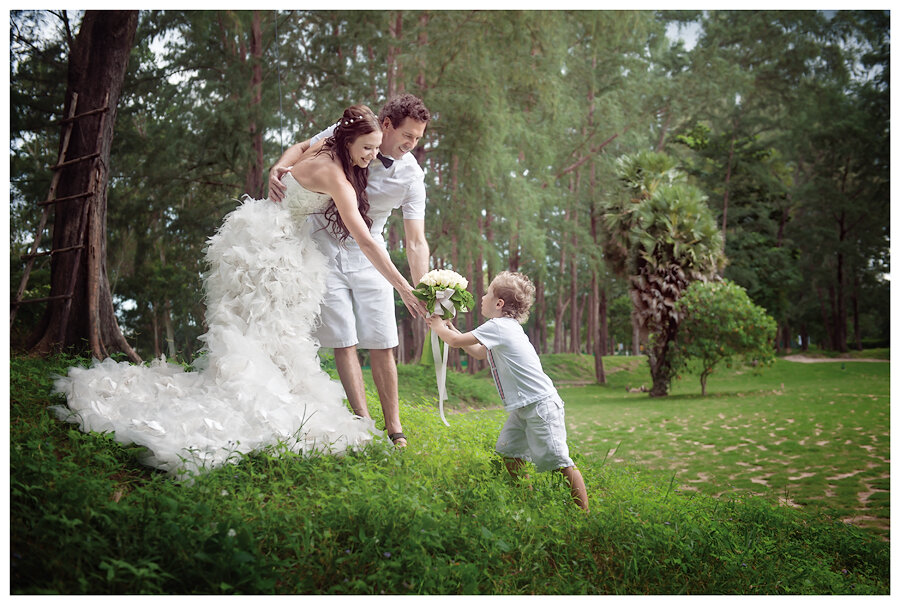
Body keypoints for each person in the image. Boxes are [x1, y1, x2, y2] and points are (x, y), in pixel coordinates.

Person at [52, 105, 421, 478]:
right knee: (269, 328)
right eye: (368, 148)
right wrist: (404, 286)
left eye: (376, 149)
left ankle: (269, 389)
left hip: (265, 234)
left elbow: (299, 149)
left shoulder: (328, 150)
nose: (373, 157)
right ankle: (255, 399)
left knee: (267, 330)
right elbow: (365, 239)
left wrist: (278, 167)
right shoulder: (335, 175)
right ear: (349, 140)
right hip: (275, 253)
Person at [268, 94, 431, 448]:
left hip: (371, 252)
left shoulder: (411, 176)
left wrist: (422, 290)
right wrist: (277, 167)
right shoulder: (350, 134)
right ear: (386, 125)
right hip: (322, 248)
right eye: (408, 136)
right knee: (344, 339)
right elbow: (300, 148)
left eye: (418, 139)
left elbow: (416, 242)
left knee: (383, 338)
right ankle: (364, 424)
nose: (412, 145)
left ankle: (395, 427)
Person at [425, 271, 589, 511]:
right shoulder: (505, 328)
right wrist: (451, 330)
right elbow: (480, 351)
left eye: (487, 293)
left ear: (499, 303)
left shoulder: (499, 326)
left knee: (558, 460)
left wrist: (439, 326)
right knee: (509, 451)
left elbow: (455, 343)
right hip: (524, 407)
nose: (481, 297)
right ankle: (527, 502)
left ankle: (584, 514)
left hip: (540, 406)